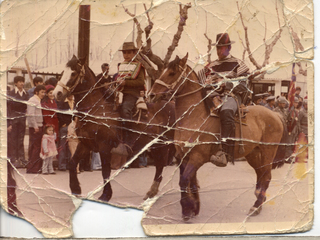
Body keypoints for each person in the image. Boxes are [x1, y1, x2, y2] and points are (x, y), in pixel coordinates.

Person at [205, 33, 250, 167]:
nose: (219, 51)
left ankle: (224, 151)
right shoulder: (211, 66)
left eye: (222, 48)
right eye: (217, 48)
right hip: (213, 96)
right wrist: (211, 92)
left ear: (229, 48)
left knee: (226, 111)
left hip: (232, 96)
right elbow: (204, 83)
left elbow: (244, 86)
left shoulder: (238, 64)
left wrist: (226, 84)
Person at [116, 42, 145, 148]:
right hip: (120, 93)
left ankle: (130, 135)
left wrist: (126, 83)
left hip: (132, 94)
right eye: (124, 53)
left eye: (129, 53)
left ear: (134, 53)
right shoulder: (121, 65)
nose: (126, 55)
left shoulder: (139, 66)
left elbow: (141, 82)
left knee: (125, 110)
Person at [7, 76, 29, 168]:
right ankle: (13, 159)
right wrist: (9, 123)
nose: (21, 83)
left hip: (22, 118)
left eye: (22, 82)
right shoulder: (11, 93)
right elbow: (8, 109)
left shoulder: (26, 94)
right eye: (19, 82)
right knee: (13, 140)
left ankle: (22, 159)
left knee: (21, 139)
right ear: (15, 83)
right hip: (13, 118)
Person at [26, 84, 46, 173]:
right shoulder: (32, 100)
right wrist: (35, 126)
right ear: (36, 92)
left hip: (39, 125)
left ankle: (36, 167)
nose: (43, 94)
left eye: (44, 92)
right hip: (35, 127)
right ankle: (32, 168)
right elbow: (31, 114)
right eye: (42, 92)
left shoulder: (38, 100)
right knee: (35, 147)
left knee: (37, 147)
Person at [57, 94, 74, 171]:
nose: (71, 96)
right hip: (65, 126)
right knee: (63, 146)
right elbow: (59, 114)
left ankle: (69, 164)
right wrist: (63, 123)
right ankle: (62, 165)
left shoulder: (75, 102)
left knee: (71, 146)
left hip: (73, 126)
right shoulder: (62, 103)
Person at [286, 97, 300, 162]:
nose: (297, 104)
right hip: (290, 130)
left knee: (292, 144)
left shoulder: (294, 110)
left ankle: (289, 156)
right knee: (288, 144)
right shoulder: (290, 110)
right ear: (293, 102)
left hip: (294, 130)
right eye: (296, 102)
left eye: (297, 103)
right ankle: (287, 157)